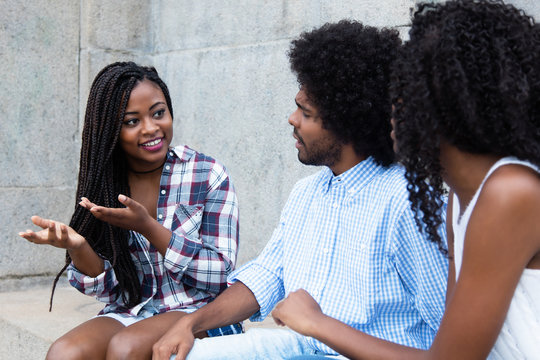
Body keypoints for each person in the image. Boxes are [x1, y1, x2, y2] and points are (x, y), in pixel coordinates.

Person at [152, 20, 448, 360]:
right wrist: (191, 323)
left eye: (306, 113)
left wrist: (316, 323)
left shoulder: (407, 203)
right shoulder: (306, 193)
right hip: (301, 347)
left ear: (348, 124)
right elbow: (268, 274)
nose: (292, 119)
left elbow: (448, 340)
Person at [272, 1, 540, 359]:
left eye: (408, 86)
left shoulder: (510, 193)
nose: (392, 103)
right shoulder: (461, 203)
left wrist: (318, 323)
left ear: (446, 102)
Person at [18, 62, 241, 359]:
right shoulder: (106, 184)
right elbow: (112, 293)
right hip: (133, 311)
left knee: (127, 348)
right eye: (132, 121)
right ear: (111, 130)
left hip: (202, 312)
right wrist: (79, 247)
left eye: (158, 113)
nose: (151, 128)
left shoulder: (207, 174)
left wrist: (148, 227)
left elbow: (220, 274)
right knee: (64, 352)